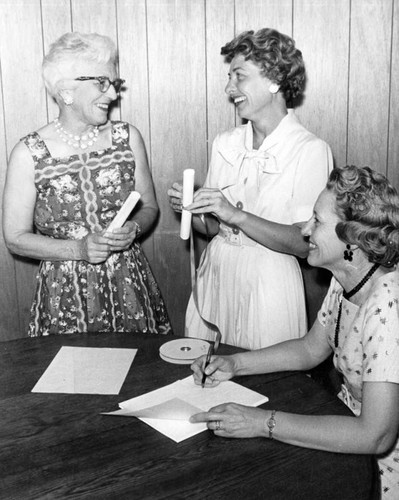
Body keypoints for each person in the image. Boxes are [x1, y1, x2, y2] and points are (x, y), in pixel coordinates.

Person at [190, 165, 399, 499]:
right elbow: (310, 349)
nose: (305, 230)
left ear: (352, 238)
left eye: (317, 221)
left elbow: (375, 436)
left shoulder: (388, 304)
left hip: (382, 463)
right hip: (346, 429)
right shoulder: (345, 279)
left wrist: (261, 423)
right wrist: (234, 364)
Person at [168, 28, 333, 350]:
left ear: (274, 78)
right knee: (204, 373)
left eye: (239, 76)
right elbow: (215, 229)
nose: (229, 88)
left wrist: (235, 214)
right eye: (229, 77)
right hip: (215, 275)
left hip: (269, 284)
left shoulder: (310, 149)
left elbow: (305, 245)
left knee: (263, 382)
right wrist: (194, 210)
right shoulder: (225, 143)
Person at [2, 32, 171, 336]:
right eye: (101, 83)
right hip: (63, 293)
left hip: (128, 282)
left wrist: (134, 228)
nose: (112, 95)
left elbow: (148, 205)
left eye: (113, 84)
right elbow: (15, 237)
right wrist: (78, 249)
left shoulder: (127, 137)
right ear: (67, 91)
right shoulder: (28, 153)